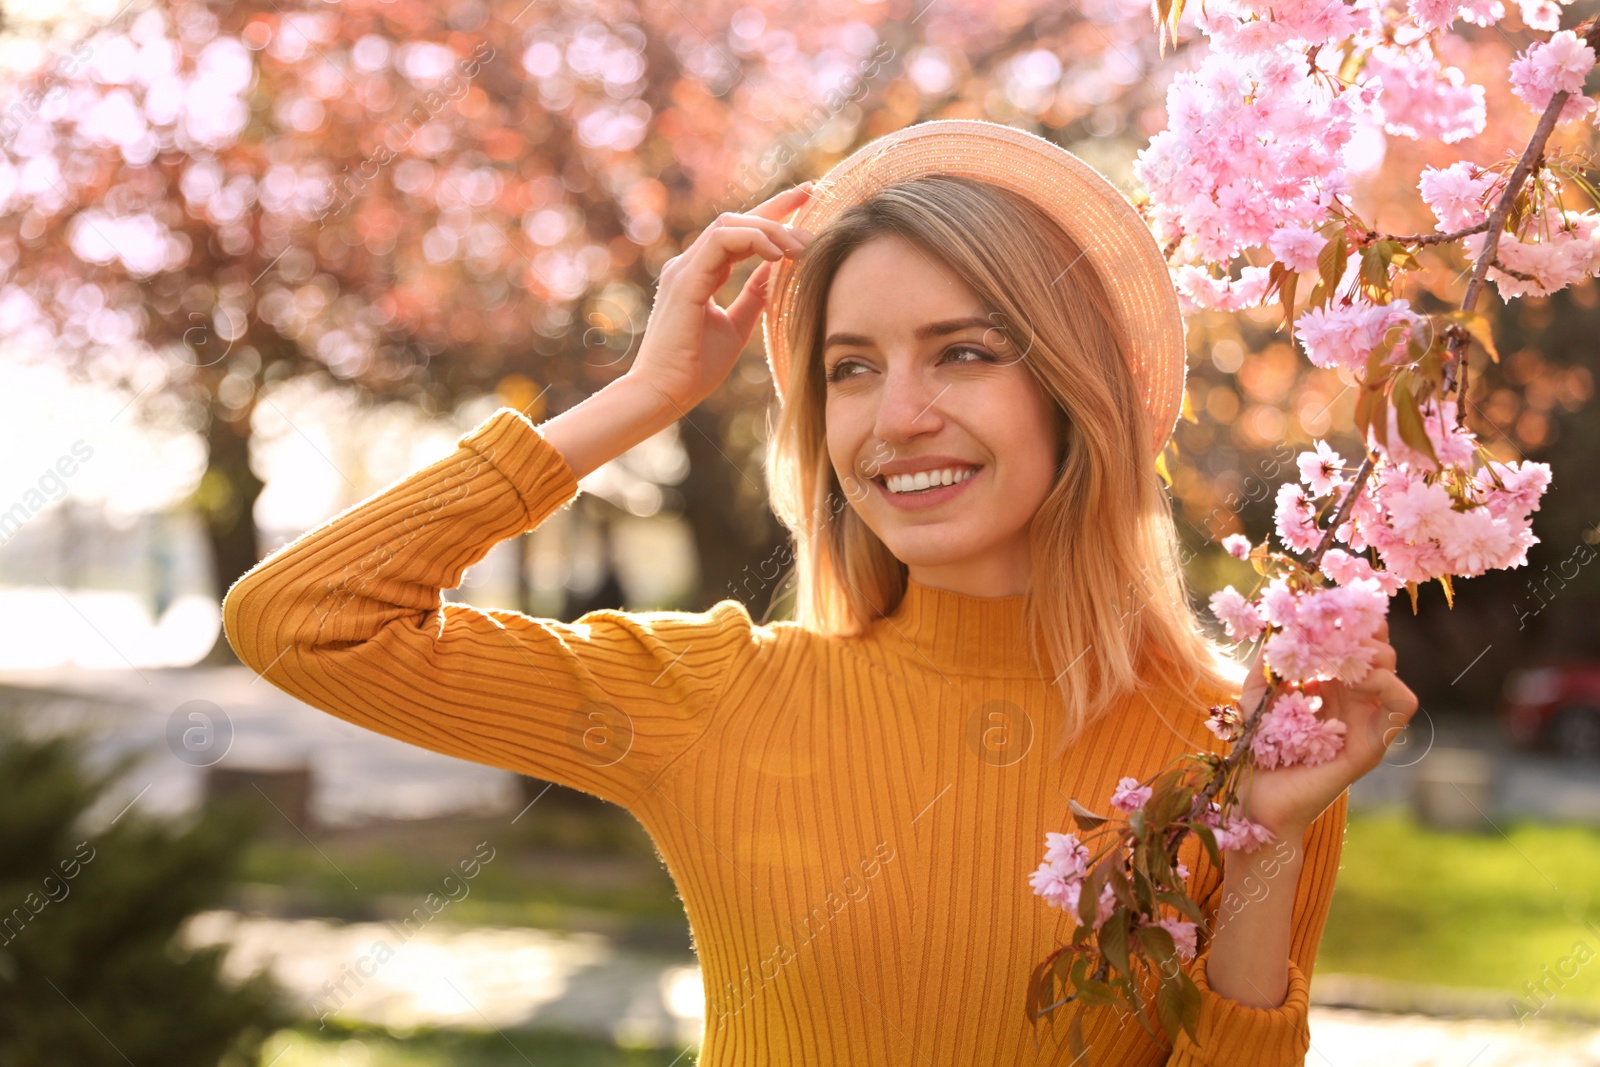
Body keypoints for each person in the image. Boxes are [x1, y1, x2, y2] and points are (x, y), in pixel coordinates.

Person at [223, 119, 1419, 1066]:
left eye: (962, 351)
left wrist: (1263, 838)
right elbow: (304, 621)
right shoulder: (713, 694)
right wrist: (643, 396)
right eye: (850, 368)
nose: (896, 416)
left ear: (1074, 389)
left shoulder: (1244, 744)